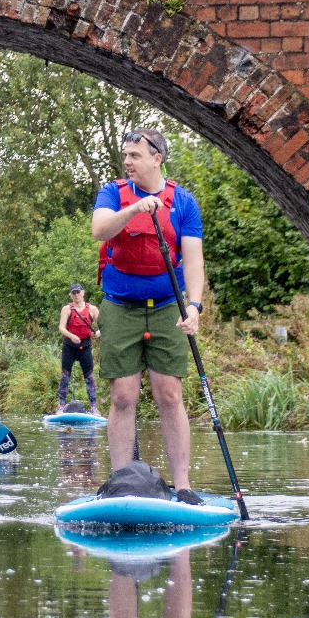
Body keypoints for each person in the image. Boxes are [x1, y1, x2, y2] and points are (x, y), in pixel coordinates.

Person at [91, 128, 205, 504]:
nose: (128, 161)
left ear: (157, 158)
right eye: (126, 155)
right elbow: (99, 230)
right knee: (123, 396)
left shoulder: (184, 202)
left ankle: (183, 486)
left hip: (167, 308)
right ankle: (122, 482)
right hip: (120, 307)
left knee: (170, 394)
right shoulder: (112, 193)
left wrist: (194, 306)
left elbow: (192, 261)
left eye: (135, 155)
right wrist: (135, 209)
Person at [59, 282, 100, 415]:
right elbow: (61, 328)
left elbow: (104, 326)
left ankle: (94, 408)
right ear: (71, 295)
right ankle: (61, 407)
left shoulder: (92, 309)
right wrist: (71, 336)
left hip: (85, 346)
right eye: (73, 293)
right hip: (69, 346)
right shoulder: (67, 309)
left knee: (89, 377)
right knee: (65, 377)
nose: (76, 295)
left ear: (83, 293)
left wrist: (100, 332)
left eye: (78, 292)